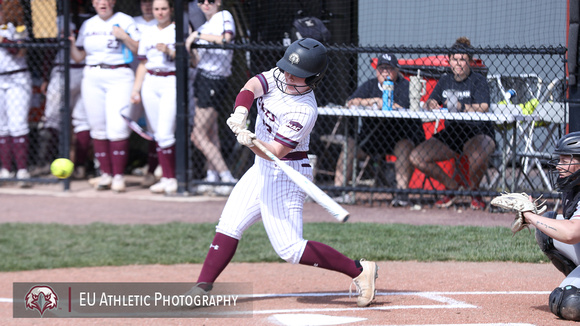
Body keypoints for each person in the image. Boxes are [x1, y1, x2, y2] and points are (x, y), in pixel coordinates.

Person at [185, 38, 379, 308]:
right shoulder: (279, 76)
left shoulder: (304, 110)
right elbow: (253, 85)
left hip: (285, 173)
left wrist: (250, 140)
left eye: (297, 75)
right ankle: (202, 287)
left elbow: (275, 151)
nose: (289, 77)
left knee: (290, 249)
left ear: (313, 79)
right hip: (262, 167)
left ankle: (359, 271)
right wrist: (242, 110)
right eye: (288, 70)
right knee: (229, 224)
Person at [409, 37, 495, 210]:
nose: (458, 63)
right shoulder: (445, 80)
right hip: (453, 133)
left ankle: (474, 192)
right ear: (449, 61)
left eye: (462, 59)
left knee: (478, 155)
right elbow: (431, 102)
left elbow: (483, 106)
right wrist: (431, 103)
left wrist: (461, 106)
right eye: (455, 59)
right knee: (416, 157)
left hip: (477, 132)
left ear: (470, 62)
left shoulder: (478, 80)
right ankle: (453, 187)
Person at [333, 53, 425, 207]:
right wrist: (374, 101)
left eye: (389, 68)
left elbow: (408, 108)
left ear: (397, 70)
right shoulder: (370, 85)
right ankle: (338, 191)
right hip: (371, 138)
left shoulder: (405, 86)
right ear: (376, 71)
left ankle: (401, 194)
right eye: (381, 68)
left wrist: (389, 104)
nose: (385, 72)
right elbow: (351, 102)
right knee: (349, 145)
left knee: (404, 147)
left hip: (398, 137)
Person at [70, 0, 141, 193]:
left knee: (117, 127)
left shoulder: (124, 20)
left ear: (113, 2)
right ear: (93, 3)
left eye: (107, 0)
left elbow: (138, 49)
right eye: (98, 0)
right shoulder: (88, 24)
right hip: (92, 75)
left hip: (119, 75)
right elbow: (79, 56)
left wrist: (124, 36)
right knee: (97, 127)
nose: (103, 3)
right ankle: (105, 174)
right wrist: (68, 42)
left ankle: (118, 176)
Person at [519, 131, 580, 321]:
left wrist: (530, 217)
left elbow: (572, 233)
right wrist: (538, 219)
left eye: (565, 160)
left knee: (569, 303)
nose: (559, 166)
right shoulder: (573, 185)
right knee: (547, 232)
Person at [185, 0, 236, 196]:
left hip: (215, 80)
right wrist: (189, 46)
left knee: (197, 135)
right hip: (202, 78)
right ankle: (212, 177)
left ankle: (226, 177)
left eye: (211, 0)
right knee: (210, 133)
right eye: (201, 1)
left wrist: (197, 35)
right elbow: (197, 61)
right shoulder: (204, 26)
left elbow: (225, 39)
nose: (206, 4)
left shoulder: (224, 17)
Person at [131, 0, 177, 195]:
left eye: (163, 8)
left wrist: (168, 50)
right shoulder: (148, 30)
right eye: (157, 9)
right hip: (150, 81)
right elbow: (142, 63)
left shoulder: (178, 28)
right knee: (157, 132)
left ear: (171, 10)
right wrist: (136, 89)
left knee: (166, 132)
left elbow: (189, 59)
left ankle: (172, 177)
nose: (159, 12)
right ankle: (166, 178)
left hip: (170, 80)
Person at [38, 10, 92, 180]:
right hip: (81, 72)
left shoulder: (58, 18)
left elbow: (48, 51)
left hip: (65, 70)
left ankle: (48, 162)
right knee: (81, 121)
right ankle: (80, 166)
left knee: (52, 119)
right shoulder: (91, 18)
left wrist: (46, 76)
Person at [0, 2, 32, 187]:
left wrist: (4, 40)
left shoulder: (17, 28)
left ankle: (22, 171)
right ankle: (5, 169)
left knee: (17, 124)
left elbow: (20, 50)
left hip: (17, 79)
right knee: (1, 126)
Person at [133, 0, 160, 188]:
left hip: (156, 79)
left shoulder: (165, 26)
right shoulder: (131, 21)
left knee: (158, 127)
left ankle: (154, 169)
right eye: (145, 2)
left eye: (153, 3)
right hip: (133, 79)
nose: (148, 6)